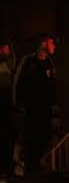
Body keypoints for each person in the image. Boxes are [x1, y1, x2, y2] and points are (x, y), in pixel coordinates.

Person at [12, 35, 58, 175]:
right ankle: (28, 170)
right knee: (30, 140)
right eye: (51, 43)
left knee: (43, 140)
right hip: (30, 109)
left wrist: (54, 104)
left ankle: (38, 170)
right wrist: (18, 103)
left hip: (45, 110)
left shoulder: (50, 63)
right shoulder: (28, 61)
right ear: (43, 44)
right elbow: (18, 82)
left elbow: (53, 85)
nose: (54, 46)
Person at [0, 41, 17, 178]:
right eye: (5, 49)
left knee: (8, 136)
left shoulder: (9, 65)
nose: (8, 52)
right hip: (3, 103)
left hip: (7, 105)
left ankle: (7, 167)